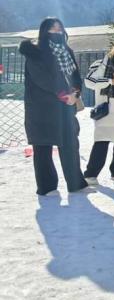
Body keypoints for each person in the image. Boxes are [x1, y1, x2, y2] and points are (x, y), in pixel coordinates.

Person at [19, 17, 88, 195]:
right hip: (41, 108)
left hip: (65, 106)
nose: (57, 32)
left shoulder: (67, 51)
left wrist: (76, 93)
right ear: (44, 31)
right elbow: (43, 79)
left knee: (70, 144)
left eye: (59, 29)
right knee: (43, 147)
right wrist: (65, 95)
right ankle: (47, 186)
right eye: (52, 29)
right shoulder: (35, 52)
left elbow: (75, 77)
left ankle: (76, 183)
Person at [83, 41, 114, 184]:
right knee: (101, 141)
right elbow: (89, 81)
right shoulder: (102, 64)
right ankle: (91, 174)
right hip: (107, 109)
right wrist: (110, 81)